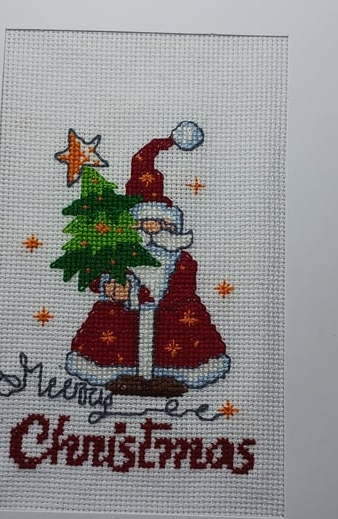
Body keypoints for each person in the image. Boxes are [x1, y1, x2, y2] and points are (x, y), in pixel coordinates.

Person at [65, 122, 230, 396]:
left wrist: (148, 297)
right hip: (121, 316)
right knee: (110, 344)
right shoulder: (119, 253)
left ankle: (171, 377)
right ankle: (120, 376)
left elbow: (184, 287)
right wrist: (109, 285)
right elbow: (96, 275)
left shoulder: (182, 260)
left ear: (173, 228)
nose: (152, 229)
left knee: (183, 348)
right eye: (143, 223)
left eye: (160, 224)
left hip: (173, 318)